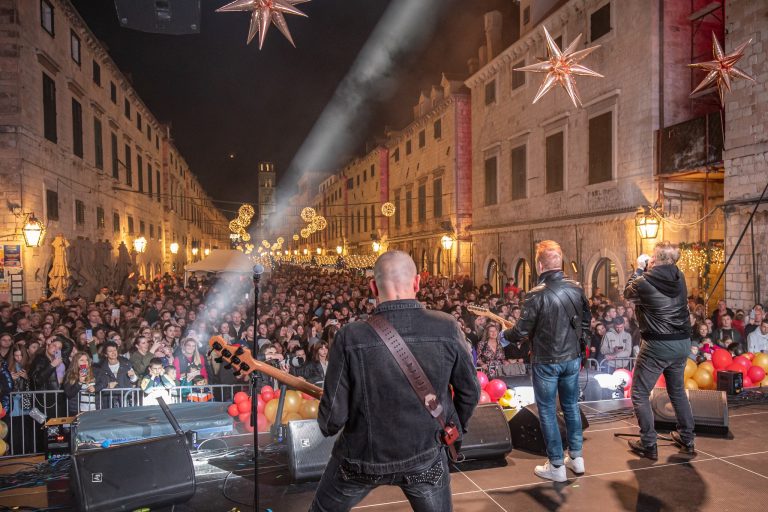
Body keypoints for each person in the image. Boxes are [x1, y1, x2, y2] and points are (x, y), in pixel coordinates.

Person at [310, 251, 479, 512]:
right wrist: (454, 429)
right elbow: (470, 392)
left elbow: (332, 421)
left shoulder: (350, 336)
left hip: (361, 459)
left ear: (373, 287)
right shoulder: (446, 326)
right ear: (417, 283)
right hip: (425, 453)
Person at [501, 240, 590, 482]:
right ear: (560, 262)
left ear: (539, 265)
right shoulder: (576, 289)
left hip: (546, 361)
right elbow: (585, 323)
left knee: (548, 410)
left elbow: (520, 331)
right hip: (572, 358)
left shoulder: (535, 295)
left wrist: (503, 336)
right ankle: (577, 459)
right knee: (571, 406)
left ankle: (556, 465)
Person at [624, 242, 696, 459]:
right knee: (677, 391)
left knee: (639, 393)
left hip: (657, 344)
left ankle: (648, 443)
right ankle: (687, 438)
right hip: (682, 342)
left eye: (653, 257)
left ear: (656, 259)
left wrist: (638, 268)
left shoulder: (644, 280)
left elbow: (628, 293)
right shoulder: (679, 276)